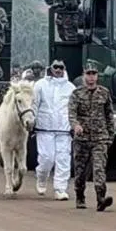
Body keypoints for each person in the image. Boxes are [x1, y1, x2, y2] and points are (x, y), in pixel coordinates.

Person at [68, 61, 114, 211]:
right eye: (88, 74)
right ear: (83, 76)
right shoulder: (76, 94)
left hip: (100, 138)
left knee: (99, 168)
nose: (91, 77)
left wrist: (110, 136)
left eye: (93, 74)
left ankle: (101, 198)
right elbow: (72, 114)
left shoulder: (104, 93)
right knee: (80, 171)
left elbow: (109, 115)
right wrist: (76, 125)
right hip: (82, 139)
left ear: (97, 76)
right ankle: (80, 196)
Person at [33, 60, 76, 200]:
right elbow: (34, 104)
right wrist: (32, 121)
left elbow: (74, 108)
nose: (58, 70)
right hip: (45, 128)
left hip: (64, 130)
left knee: (63, 159)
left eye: (61, 67)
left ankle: (60, 189)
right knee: (47, 158)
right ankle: (41, 177)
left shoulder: (70, 88)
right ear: (50, 68)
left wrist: (74, 125)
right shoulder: (40, 85)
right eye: (55, 67)